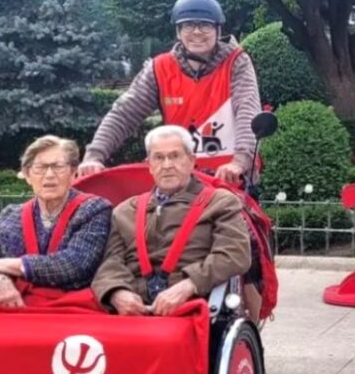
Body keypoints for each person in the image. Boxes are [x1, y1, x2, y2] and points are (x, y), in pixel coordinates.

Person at [79, 0, 261, 186]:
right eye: (189, 25)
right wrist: (94, 156)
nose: (197, 32)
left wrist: (241, 161)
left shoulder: (236, 62)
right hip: (176, 175)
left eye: (205, 25)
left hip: (227, 176)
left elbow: (248, 111)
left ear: (218, 29)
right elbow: (124, 113)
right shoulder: (160, 67)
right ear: (178, 31)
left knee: (234, 213)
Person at [91, 125, 252, 316]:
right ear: (149, 165)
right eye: (159, 158)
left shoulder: (220, 202)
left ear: (192, 161)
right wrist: (117, 292)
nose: (167, 165)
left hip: (194, 305)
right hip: (132, 309)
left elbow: (234, 254)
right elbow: (110, 262)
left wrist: (190, 285)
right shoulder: (124, 211)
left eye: (175, 156)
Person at [0, 136, 112, 308]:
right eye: (40, 168)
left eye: (58, 167)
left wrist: (9, 264)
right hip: (19, 304)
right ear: (27, 175)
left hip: (74, 309)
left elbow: (75, 265)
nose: (49, 175)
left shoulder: (94, 209)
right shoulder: (12, 215)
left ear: (73, 173)